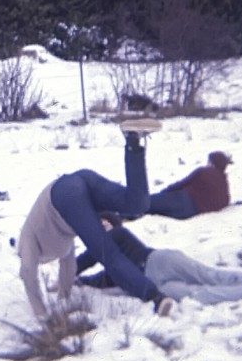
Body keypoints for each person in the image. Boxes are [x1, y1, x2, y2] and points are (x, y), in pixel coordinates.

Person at [17, 126, 170, 319]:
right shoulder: (63, 244)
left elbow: (27, 272)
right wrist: (63, 295)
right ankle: (133, 141)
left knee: (107, 253)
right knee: (137, 204)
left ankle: (155, 298)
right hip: (79, 182)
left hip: (64, 195)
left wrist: (42, 314)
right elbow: (69, 268)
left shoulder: (27, 239)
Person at [76, 211, 242, 305]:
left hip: (159, 261)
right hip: (156, 284)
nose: (102, 229)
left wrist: (69, 270)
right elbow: (97, 280)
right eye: (99, 226)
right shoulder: (113, 270)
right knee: (193, 295)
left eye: (105, 224)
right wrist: (76, 282)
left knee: (213, 276)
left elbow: (87, 258)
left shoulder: (118, 235)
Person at [147, 150, 232, 219]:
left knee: (146, 203)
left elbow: (181, 184)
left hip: (183, 199)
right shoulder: (224, 181)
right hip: (191, 212)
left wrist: (164, 192)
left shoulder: (203, 171)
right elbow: (225, 201)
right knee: (156, 211)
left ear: (212, 162)